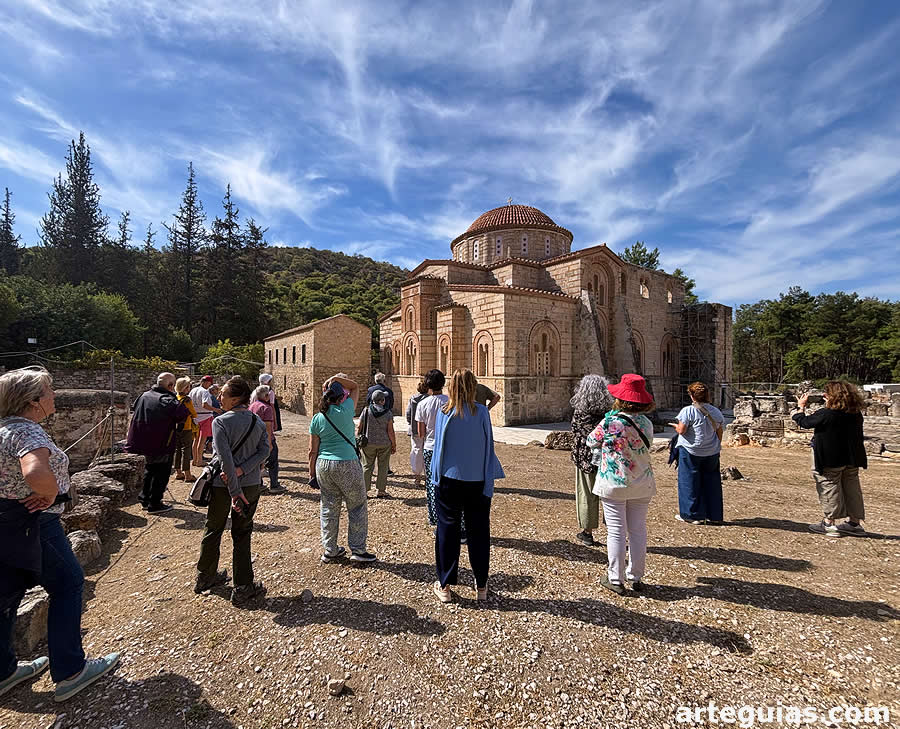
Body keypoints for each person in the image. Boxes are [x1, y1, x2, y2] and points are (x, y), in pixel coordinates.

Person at [0, 366, 120, 702]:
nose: (55, 396)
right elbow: (35, 470)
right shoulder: (29, 434)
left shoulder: (3, 430)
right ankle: (70, 671)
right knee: (68, 585)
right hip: (36, 524)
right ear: (34, 401)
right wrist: (51, 493)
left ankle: (4, 671)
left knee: (6, 597)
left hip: (5, 521)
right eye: (50, 391)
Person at [429, 369, 505, 603]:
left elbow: (439, 448)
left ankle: (445, 585)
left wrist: (435, 478)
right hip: (477, 480)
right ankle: (481, 584)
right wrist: (488, 480)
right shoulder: (481, 411)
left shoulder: (445, 411)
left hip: (449, 479)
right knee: (479, 531)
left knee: (447, 530)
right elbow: (487, 445)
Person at [195, 376, 270, 606]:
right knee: (242, 533)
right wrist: (242, 471)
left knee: (213, 527)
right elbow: (265, 451)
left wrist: (234, 481)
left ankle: (205, 576)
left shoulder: (220, 422)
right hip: (248, 484)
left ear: (235, 398)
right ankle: (243, 586)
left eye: (223, 395)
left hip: (223, 485)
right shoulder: (256, 421)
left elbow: (225, 458)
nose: (219, 398)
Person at [587, 374, 656, 595]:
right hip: (641, 482)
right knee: (637, 530)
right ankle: (636, 576)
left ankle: (615, 577)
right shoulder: (647, 423)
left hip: (614, 482)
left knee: (616, 531)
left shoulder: (610, 422)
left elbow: (591, 441)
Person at [308, 374, 376, 563]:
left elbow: (312, 450)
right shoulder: (346, 410)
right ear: (340, 398)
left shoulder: (317, 418)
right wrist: (335, 378)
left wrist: (311, 472)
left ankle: (330, 549)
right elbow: (354, 386)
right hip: (347, 462)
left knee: (329, 507)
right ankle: (358, 549)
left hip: (323, 464)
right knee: (357, 505)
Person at [793, 381, 868, 537]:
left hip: (830, 458)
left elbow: (805, 422)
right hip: (852, 457)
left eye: (826, 394)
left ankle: (829, 523)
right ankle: (855, 523)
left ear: (833, 396)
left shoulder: (827, 413)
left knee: (829, 486)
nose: (823, 396)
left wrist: (800, 408)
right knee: (852, 489)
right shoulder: (855, 413)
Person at [125, 372, 188, 514]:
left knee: (150, 470)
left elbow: (135, 408)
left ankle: (145, 499)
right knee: (161, 472)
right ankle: (155, 503)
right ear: (171, 386)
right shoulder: (167, 399)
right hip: (161, 441)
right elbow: (182, 413)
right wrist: (174, 396)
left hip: (143, 441)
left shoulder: (144, 395)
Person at [569, 375, 613, 546]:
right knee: (609, 496)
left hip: (585, 459)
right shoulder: (608, 412)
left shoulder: (580, 412)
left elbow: (576, 431)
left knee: (586, 494)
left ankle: (587, 533)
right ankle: (613, 532)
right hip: (607, 458)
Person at [674, 381, 725, 525]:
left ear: (692, 396)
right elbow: (719, 430)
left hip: (691, 450)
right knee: (712, 482)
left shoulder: (688, 411)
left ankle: (692, 514)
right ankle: (713, 515)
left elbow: (682, 430)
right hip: (711, 451)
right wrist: (716, 445)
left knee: (689, 482)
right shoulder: (716, 411)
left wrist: (675, 427)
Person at [415, 369, 449, 531]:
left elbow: (421, 433)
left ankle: (434, 517)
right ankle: (450, 516)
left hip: (429, 447)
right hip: (448, 448)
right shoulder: (450, 402)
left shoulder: (423, 404)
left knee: (431, 483)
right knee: (449, 483)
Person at [358, 389, 396, 497]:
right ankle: (381, 490)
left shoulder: (366, 411)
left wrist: (357, 439)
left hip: (368, 443)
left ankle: (364, 490)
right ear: (382, 401)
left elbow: (359, 426)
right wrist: (394, 444)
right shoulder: (388, 413)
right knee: (383, 466)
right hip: (384, 443)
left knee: (366, 466)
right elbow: (390, 431)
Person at [250, 385, 285, 494]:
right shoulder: (266, 408)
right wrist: (269, 443)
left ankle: (258, 484)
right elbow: (268, 427)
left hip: (254, 439)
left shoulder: (252, 406)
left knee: (257, 462)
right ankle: (274, 485)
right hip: (265, 439)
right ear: (266, 396)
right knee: (273, 462)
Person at [189, 375, 221, 467]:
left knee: (196, 440)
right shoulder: (204, 392)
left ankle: (195, 460)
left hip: (195, 416)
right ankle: (199, 461)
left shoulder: (193, 390)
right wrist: (216, 410)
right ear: (207, 382)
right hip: (205, 416)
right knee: (202, 440)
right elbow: (205, 405)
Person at [174, 377, 199, 482]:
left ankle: (178, 472)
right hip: (186, 427)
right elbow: (194, 414)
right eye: (188, 386)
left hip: (176, 427)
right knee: (186, 450)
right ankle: (187, 474)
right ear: (184, 388)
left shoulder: (175, 397)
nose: (189, 388)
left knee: (177, 449)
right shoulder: (187, 400)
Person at [405, 379, 428, 487]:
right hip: (427, 430)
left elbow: (408, 414)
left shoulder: (413, 399)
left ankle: (417, 476)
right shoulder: (429, 399)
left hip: (415, 429)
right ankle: (427, 475)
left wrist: (411, 423)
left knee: (416, 451)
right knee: (426, 451)